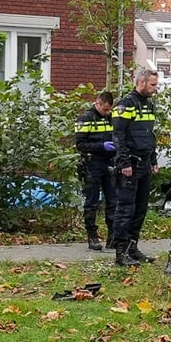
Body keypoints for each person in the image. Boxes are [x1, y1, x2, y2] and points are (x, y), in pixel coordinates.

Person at [109, 67, 161, 265]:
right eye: (153, 84)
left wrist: (153, 159)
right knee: (125, 209)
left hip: (145, 163)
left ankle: (132, 247)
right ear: (141, 83)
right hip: (130, 163)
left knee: (140, 208)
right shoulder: (126, 104)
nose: (156, 88)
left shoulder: (148, 106)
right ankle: (120, 252)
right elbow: (118, 135)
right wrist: (123, 162)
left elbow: (150, 135)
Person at [74, 91, 118, 251]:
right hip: (92, 163)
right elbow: (80, 145)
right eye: (105, 109)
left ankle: (112, 237)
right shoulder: (86, 119)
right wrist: (101, 146)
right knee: (92, 202)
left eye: (109, 110)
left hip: (109, 163)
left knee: (113, 200)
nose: (107, 112)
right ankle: (92, 236)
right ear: (97, 103)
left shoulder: (110, 118)